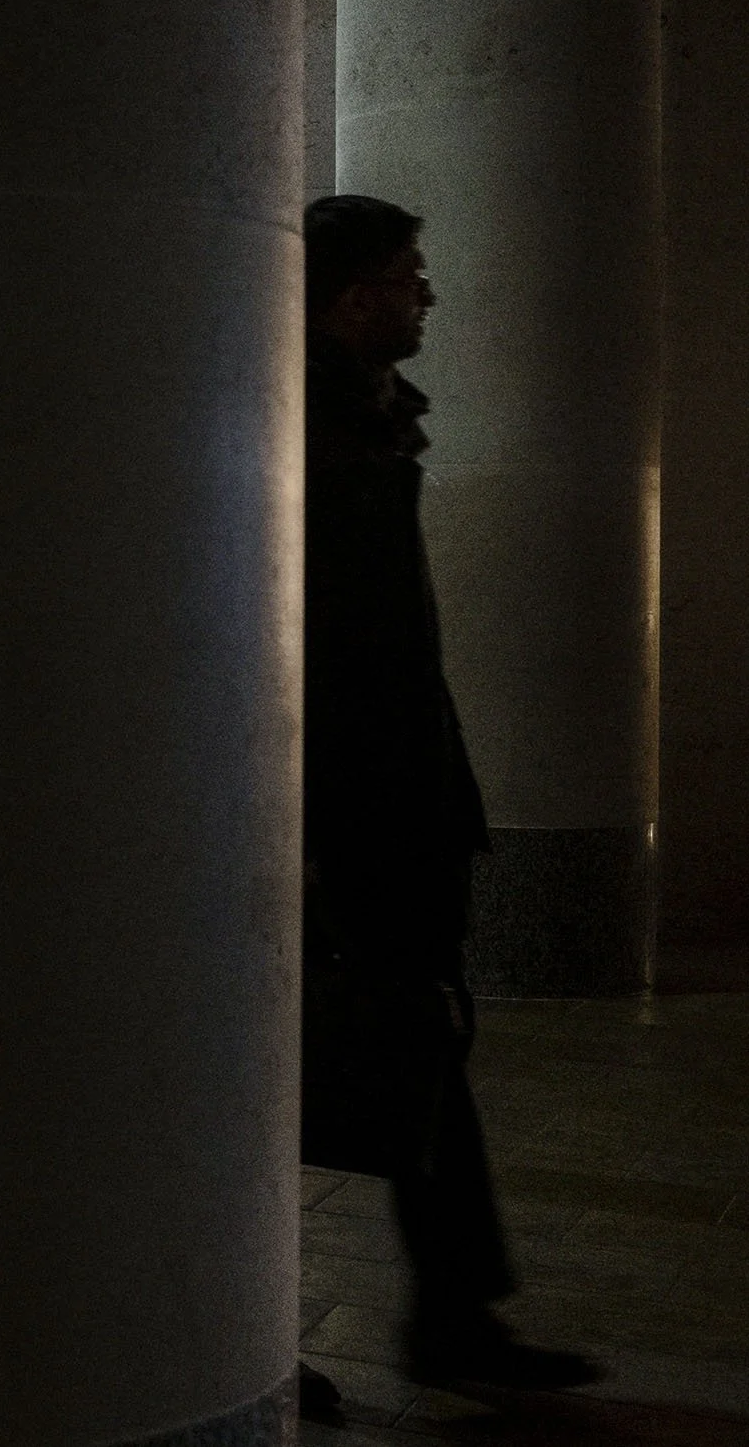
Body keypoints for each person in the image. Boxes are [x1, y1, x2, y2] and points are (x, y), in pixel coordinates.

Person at [299, 196, 598, 1415]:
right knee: (284, 1056)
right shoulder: (301, 426)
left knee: (420, 1041)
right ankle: (259, 1310)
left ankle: (454, 1310)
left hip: (396, 803)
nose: (427, 294)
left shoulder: (369, 419)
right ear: (352, 290)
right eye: (408, 274)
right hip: (337, 811)